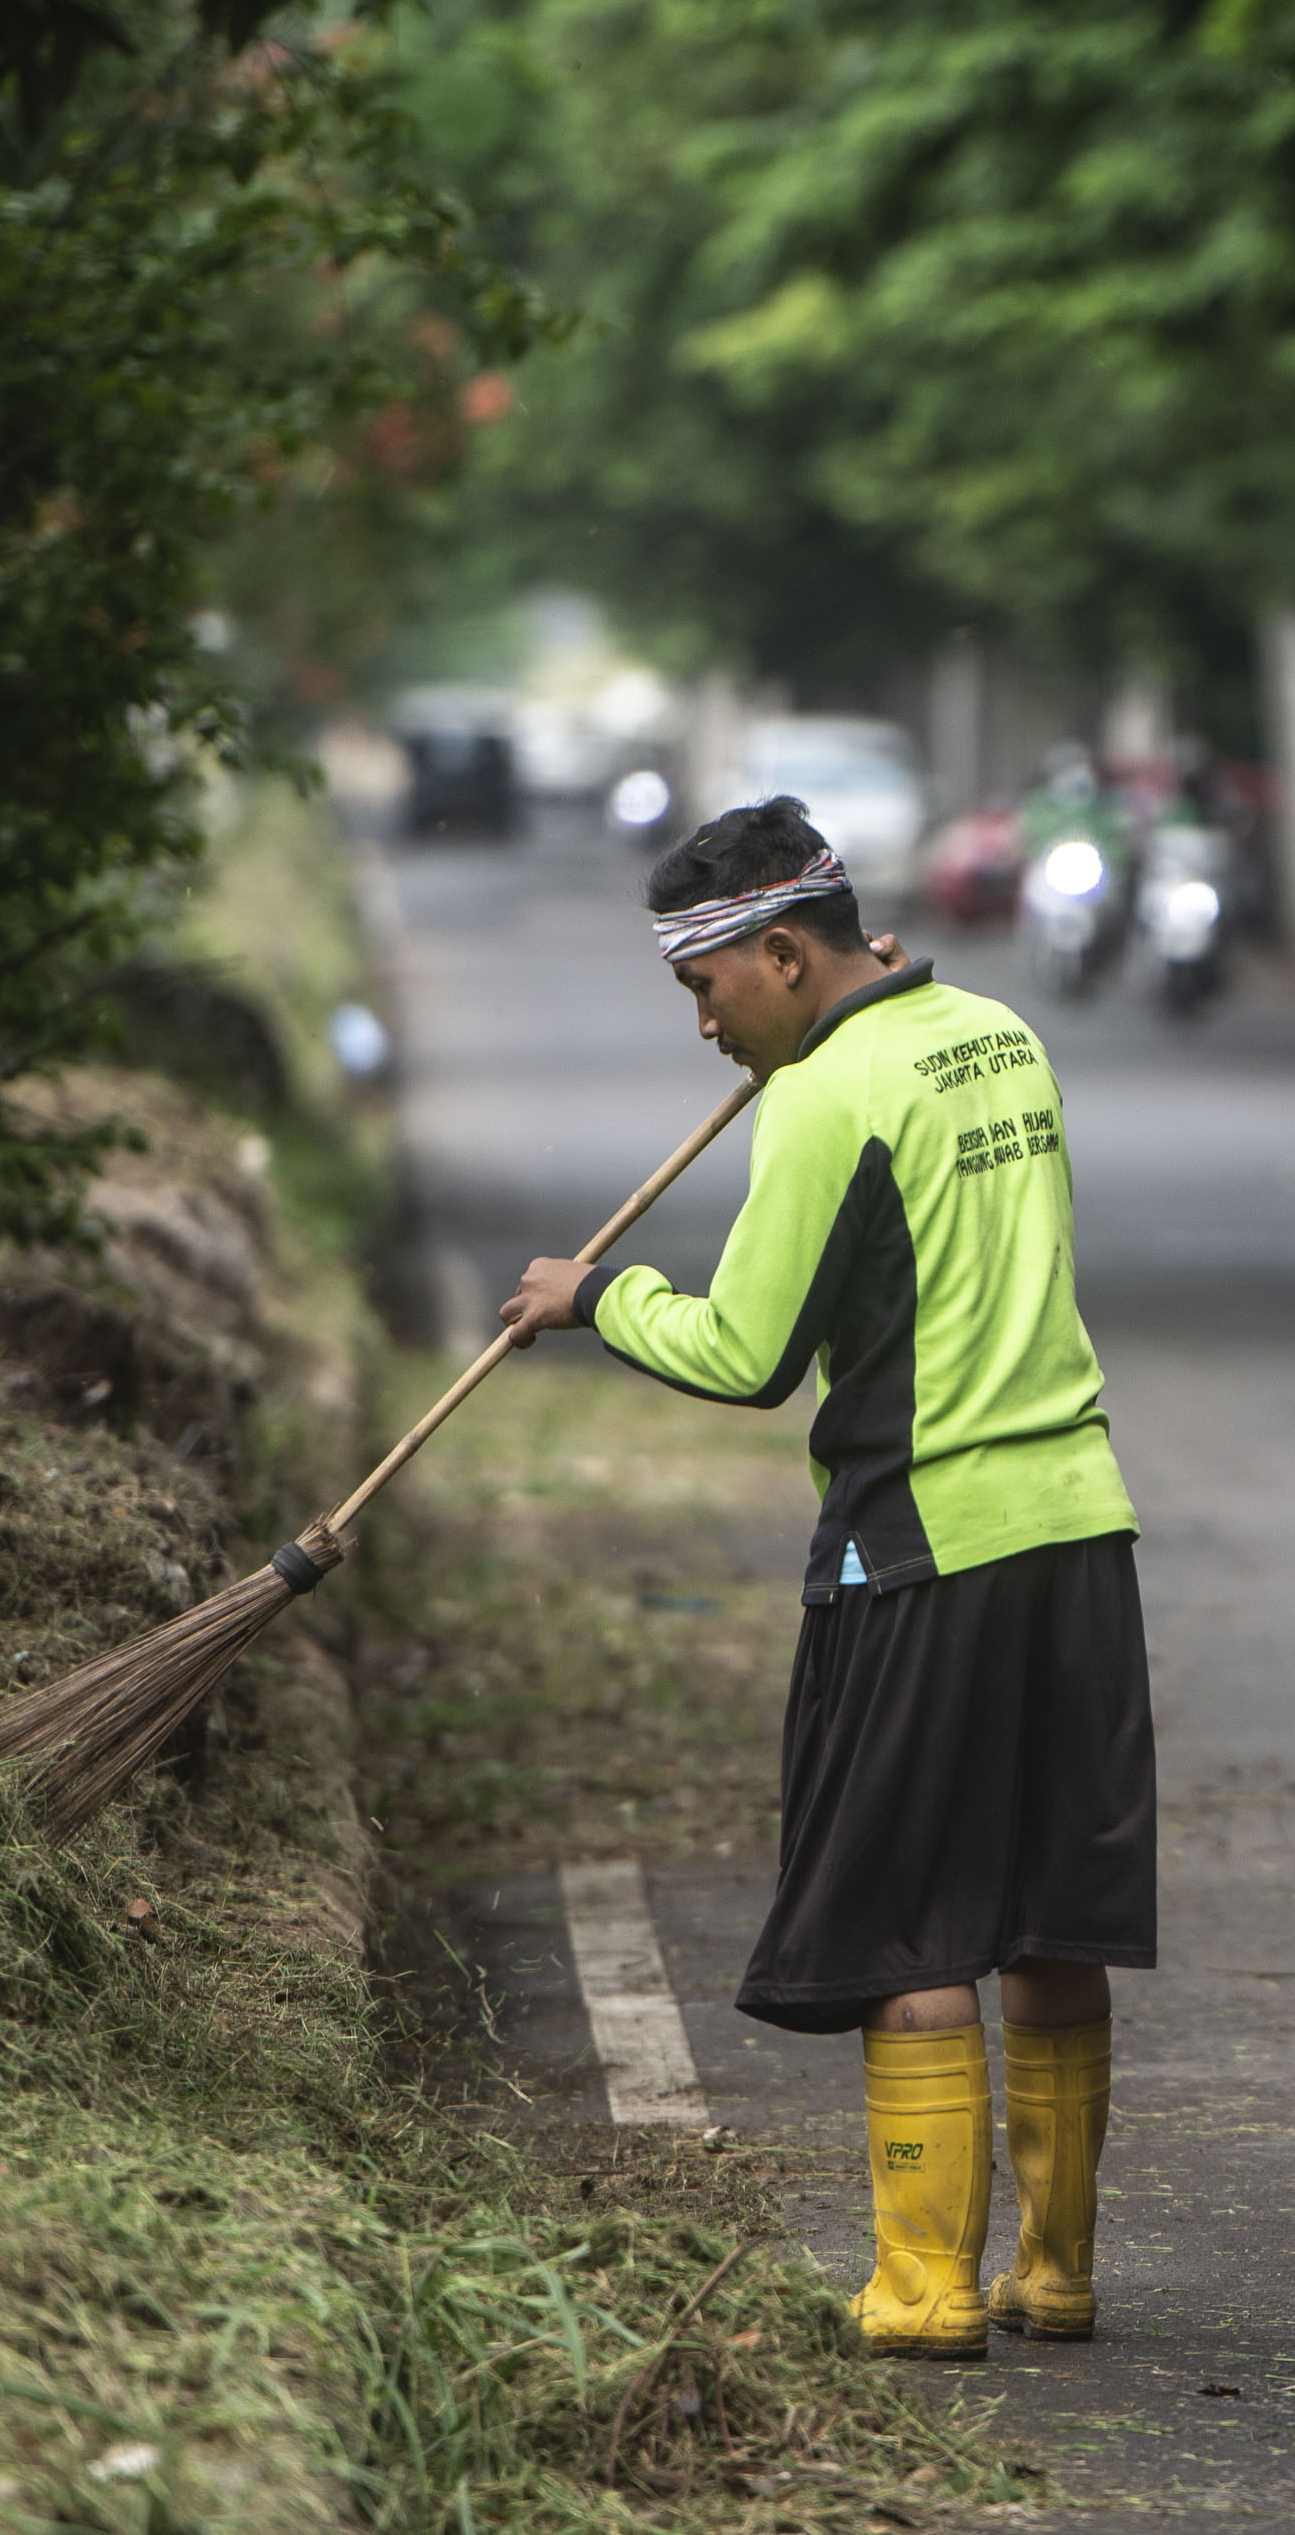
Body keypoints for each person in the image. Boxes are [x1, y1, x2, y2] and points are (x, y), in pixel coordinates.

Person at [498, 797, 1151, 2364]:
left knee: (910, 1929)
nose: (705, 1025)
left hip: (920, 1549)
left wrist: (599, 1295)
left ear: (784, 954)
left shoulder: (824, 1096)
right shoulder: (998, 1036)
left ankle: (926, 2289)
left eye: (706, 988)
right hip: (1078, 1528)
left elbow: (744, 1354)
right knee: (1050, 1921)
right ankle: (1053, 2272)